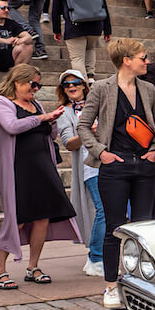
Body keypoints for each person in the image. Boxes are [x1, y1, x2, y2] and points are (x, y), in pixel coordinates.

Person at [76, 39, 155, 307]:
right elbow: (84, 126)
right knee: (115, 227)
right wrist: (101, 152)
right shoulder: (102, 88)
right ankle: (111, 285)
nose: (146, 62)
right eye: (142, 57)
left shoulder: (147, 89)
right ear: (126, 60)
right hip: (114, 166)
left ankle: (142, 284)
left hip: (145, 165)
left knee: (143, 227)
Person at [0, 64, 79, 289]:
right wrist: (42, 118)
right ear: (18, 80)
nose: (36, 89)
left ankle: (33, 266)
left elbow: (51, 134)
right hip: (18, 168)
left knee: (42, 218)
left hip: (42, 167)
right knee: (17, 219)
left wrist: (52, 120)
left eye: (38, 85)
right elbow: (12, 126)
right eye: (33, 84)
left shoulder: (35, 104)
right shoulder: (1, 102)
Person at [54, 69, 103, 277]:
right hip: (90, 167)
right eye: (67, 85)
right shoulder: (64, 112)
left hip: (111, 163)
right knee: (103, 210)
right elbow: (68, 143)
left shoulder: (98, 104)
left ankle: (102, 255)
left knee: (113, 212)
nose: (71, 87)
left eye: (75, 82)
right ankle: (95, 257)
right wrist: (87, 132)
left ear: (84, 84)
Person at [50, 0, 111, 82]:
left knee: (77, 58)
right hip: (95, 25)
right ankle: (91, 77)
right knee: (90, 49)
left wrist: (56, 30)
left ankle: (84, 87)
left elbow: (55, 9)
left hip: (74, 26)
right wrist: (107, 29)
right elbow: (103, 5)